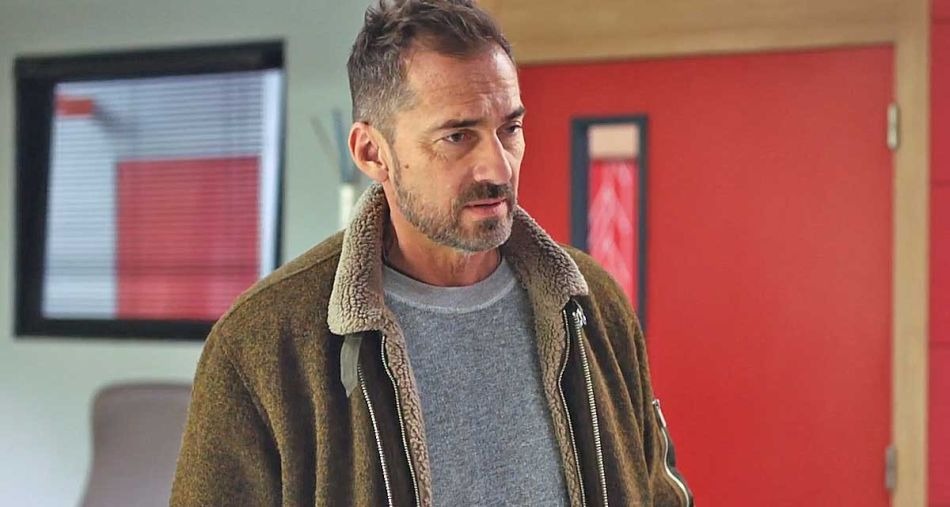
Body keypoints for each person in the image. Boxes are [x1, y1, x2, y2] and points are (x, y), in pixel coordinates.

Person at [171, 0, 693, 505]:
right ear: (372, 153)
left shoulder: (589, 304)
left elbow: (659, 494)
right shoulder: (263, 344)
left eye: (509, 129)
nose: (498, 167)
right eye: (458, 136)